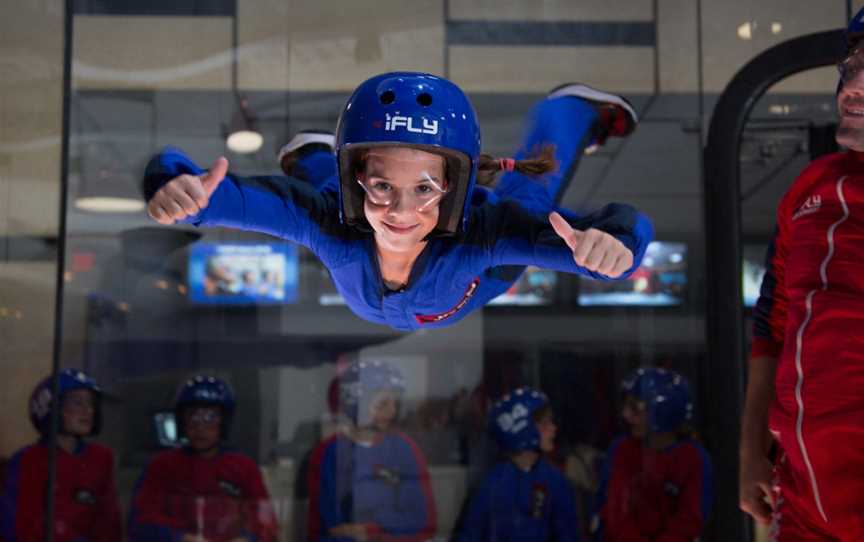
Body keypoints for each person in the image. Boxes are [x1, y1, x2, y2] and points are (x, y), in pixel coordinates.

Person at [143, 72, 653, 331]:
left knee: (532, 195)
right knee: (329, 201)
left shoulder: (484, 231)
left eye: (425, 190)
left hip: (472, 281)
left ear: (453, 188)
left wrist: (614, 247)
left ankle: (566, 111)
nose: (401, 214)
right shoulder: (333, 216)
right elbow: (226, 198)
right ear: (359, 174)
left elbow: (609, 234)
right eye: (383, 186)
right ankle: (317, 158)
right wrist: (178, 188)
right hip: (366, 239)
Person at [739, 7, 864, 540]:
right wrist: (749, 452)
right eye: (851, 64)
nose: (851, 86)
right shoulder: (809, 187)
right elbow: (771, 328)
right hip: (804, 498)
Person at [128, 375, 279, 542]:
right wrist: (179, 538)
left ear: (224, 421)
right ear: (181, 421)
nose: (200, 427)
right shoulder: (161, 466)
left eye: (210, 417)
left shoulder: (243, 467)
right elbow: (139, 523)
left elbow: (266, 521)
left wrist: (247, 539)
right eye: (193, 416)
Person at [306, 359, 436, 542]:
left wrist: (372, 531)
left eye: (394, 403)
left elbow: (424, 521)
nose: (391, 412)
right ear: (355, 406)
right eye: (382, 404)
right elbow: (330, 528)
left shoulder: (404, 449)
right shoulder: (329, 453)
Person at [0, 369, 122, 542]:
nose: (88, 410)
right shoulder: (28, 460)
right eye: (77, 402)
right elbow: (19, 526)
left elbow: (110, 522)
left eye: (90, 403)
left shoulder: (101, 458)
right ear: (51, 407)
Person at [591, 368, 712, 542]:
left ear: (662, 411)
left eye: (635, 408)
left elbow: (690, 520)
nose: (626, 415)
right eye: (626, 407)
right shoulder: (622, 448)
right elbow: (615, 511)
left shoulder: (693, 457)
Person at [457, 387, 582, 541]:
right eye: (544, 424)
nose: (553, 429)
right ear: (522, 429)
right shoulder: (490, 486)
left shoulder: (556, 482)